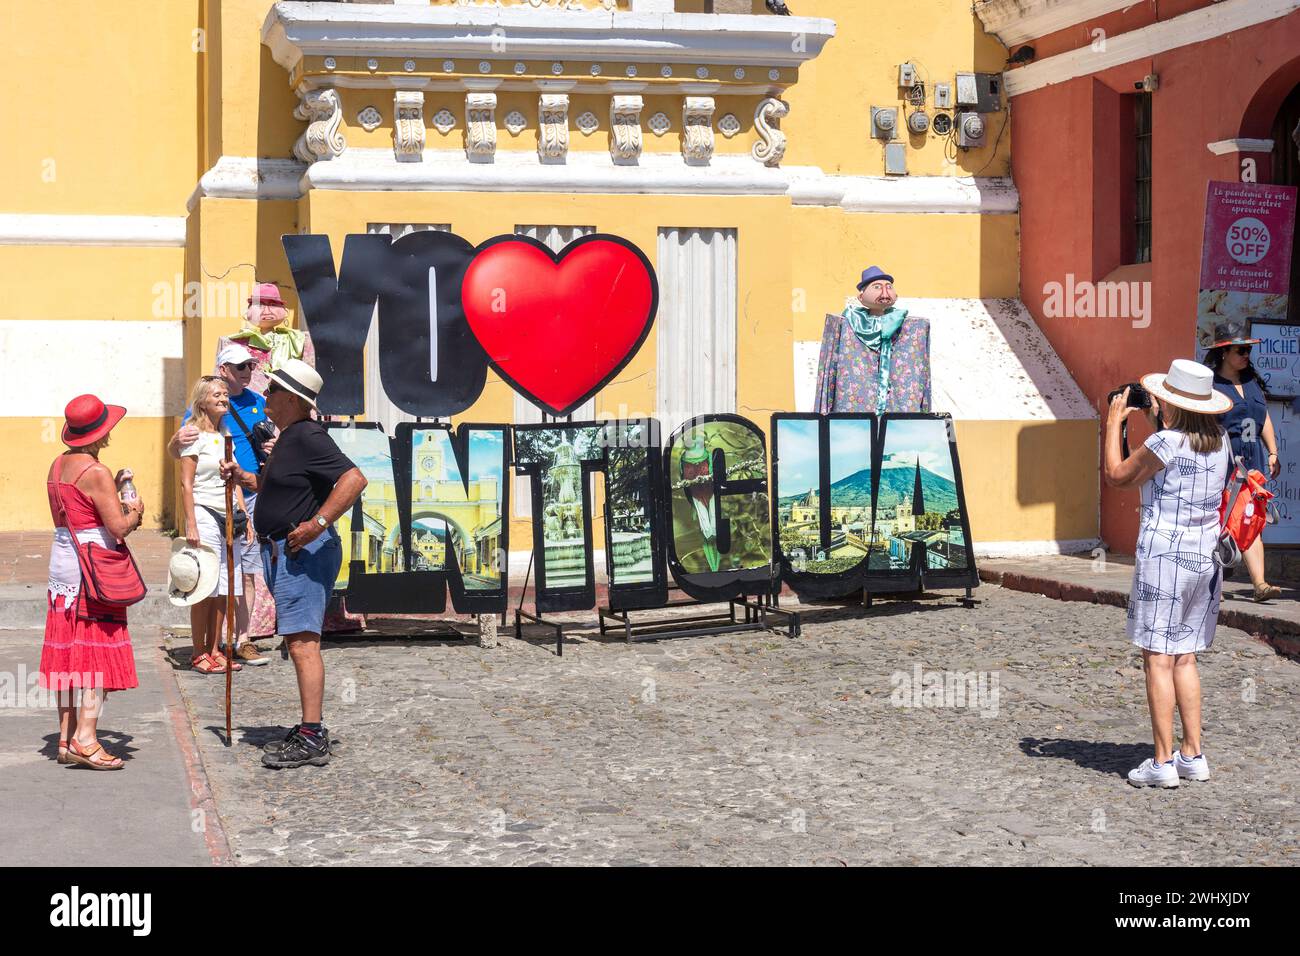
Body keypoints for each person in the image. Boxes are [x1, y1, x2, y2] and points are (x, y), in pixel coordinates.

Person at [221, 360, 367, 769]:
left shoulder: (307, 436)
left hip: (302, 552)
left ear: (291, 399)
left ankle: (312, 733)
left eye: (271, 392)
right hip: (282, 550)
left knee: (304, 643)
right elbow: (275, 486)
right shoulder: (288, 437)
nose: (265, 397)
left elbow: (354, 479)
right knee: (298, 641)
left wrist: (318, 523)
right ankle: (308, 727)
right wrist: (243, 477)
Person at [1104, 359, 1232, 789]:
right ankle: (1192, 753)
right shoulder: (1222, 442)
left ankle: (1161, 762)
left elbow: (1117, 475)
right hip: (1205, 557)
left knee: (1157, 657)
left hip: (1164, 557)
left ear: (1171, 403)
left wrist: (1112, 423)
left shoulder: (1165, 442)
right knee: (1186, 655)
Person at [41, 394, 145, 770]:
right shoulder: (95, 471)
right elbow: (116, 528)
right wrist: (133, 511)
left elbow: (78, 511)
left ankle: (66, 739)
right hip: (94, 571)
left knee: (70, 654)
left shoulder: (57, 465)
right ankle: (87, 738)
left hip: (63, 569)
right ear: (100, 432)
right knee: (98, 653)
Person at [169, 343, 275, 664]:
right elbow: (183, 465)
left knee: (242, 576)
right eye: (241, 367)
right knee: (210, 582)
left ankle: (238, 640)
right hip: (207, 507)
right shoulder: (196, 423)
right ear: (223, 371)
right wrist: (174, 442)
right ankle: (205, 649)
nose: (247, 373)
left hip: (247, 496)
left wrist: (274, 448)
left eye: (251, 367)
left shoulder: (252, 407)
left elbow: (267, 445)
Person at [1204, 319, 1283, 602]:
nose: (1246, 355)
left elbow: (1264, 420)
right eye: (1240, 350)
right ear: (1224, 352)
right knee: (1220, 522)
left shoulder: (1251, 383)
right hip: (1222, 461)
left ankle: (1260, 584)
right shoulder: (1212, 385)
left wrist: (1273, 451)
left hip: (1253, 463)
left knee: (1251, 520)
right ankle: (1213, 584)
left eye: (1248, 349)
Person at [178, 376, 246, 675]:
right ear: (202, 400)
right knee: (204, 584)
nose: (223, 398)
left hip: (228, 512)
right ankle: (198, 650)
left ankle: (216, 648)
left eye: (225, 394)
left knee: (222, 586)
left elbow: (235, 478)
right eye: (217, 394)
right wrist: (191, 523)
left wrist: (244, 513)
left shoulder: (225, 435)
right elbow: (186, 483)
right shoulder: (192, 435)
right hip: (205, 511)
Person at [814, 266, 931, 414]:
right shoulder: (845, 323)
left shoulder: (912, 327)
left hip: (898, 413)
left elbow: (923, 374)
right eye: (876, 287)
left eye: (889, 287)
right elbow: (828, 371)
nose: (884, 293)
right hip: (857, 410)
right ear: (860, 298)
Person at [221, 282, 315, 396]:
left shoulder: (297, 340)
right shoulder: (233, 342)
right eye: (259, 305)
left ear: (285, 311)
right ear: (247, 311)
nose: (266, 311)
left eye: (272, 304)